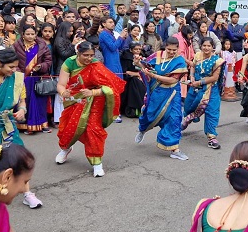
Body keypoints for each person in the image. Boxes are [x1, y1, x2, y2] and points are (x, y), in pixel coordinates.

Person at [56, 42, 125, 176]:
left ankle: (97, 162)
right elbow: (61, 84)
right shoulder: (69, 63)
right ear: (78, 53)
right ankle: (65, 148)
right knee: (69, 128)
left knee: (93, 129)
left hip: (95, 99)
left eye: (91, 55)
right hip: (76, 98)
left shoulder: (96, 65)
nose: (89, 58)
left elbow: (112, 88)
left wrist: (93, 93)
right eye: (85, 55)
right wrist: (64, 93)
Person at [135, 37, 190, 161]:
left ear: (178, 49)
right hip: (157, 91)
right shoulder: (157, 55)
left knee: (175, 118)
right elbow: (145, 67)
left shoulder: (180, 61)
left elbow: (173, 80)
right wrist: (138, 62)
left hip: (172, 92)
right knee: (150, 115)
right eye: (169, 49)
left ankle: (174, 149)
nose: (171, 52)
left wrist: (153, 75)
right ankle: (142, 129)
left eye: (174, 50)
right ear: (165, 46)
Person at [183, 37, 225, 149]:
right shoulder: (197, 56)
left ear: (213, 48)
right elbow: (193, 66)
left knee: (212, 111)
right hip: (195, 88)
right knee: (188, 107)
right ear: (201, 46)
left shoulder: (217, 61)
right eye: (204, 46)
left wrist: (199, 82)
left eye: (209, 46)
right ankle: (181, 125)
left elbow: (215, 77)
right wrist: (191, 76)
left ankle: (211, 137)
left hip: (211, 89)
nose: (206, 48)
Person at [13, 25, 53, 134]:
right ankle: (24, 125)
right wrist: (18, 73)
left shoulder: (42, 45)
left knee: (40, 102)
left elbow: (48, 61)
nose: (30, 36)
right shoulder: (16, 46)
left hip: (38, 78)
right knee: (25, 101)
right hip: (23, 79)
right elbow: (12, 60)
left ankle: (42, 124)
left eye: (32, 34)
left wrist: (41, 66)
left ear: (36, 34)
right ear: (22, 34)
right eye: (28, 34)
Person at [120, 42, 147, 118]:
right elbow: (126, 71)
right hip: (129, 79)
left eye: (139, 49)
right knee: (136, 84)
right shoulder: (126, 58)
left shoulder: (141, 57)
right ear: (131, 50)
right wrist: (137, 74)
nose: (138, 51)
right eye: (136, 49)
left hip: (138, 77)